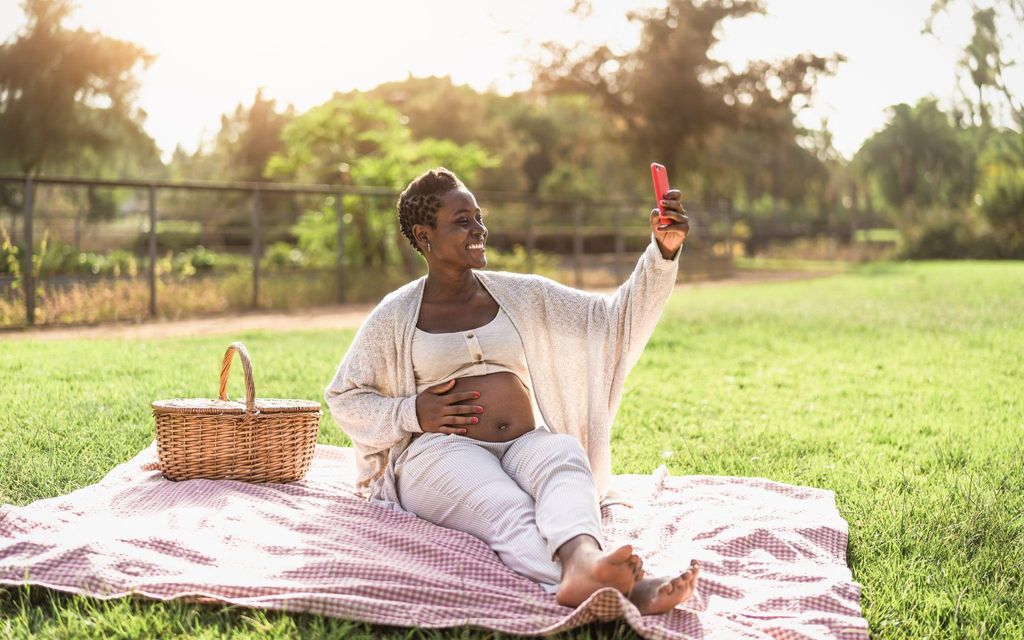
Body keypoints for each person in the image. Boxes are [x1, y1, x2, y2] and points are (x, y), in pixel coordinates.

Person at [325, 168, 699, 614]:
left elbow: (613, 321)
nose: (479, 229)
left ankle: (586, 563)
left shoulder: (522, 294)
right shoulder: (396, 315)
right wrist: (413, 412)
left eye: (479, 217)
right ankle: (616, 588)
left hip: (524, 441)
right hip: (440, 453)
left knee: (564, 459)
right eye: (462, 221)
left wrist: (663, 251)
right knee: (506, 506)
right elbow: (345, 397)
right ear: (425, 235)